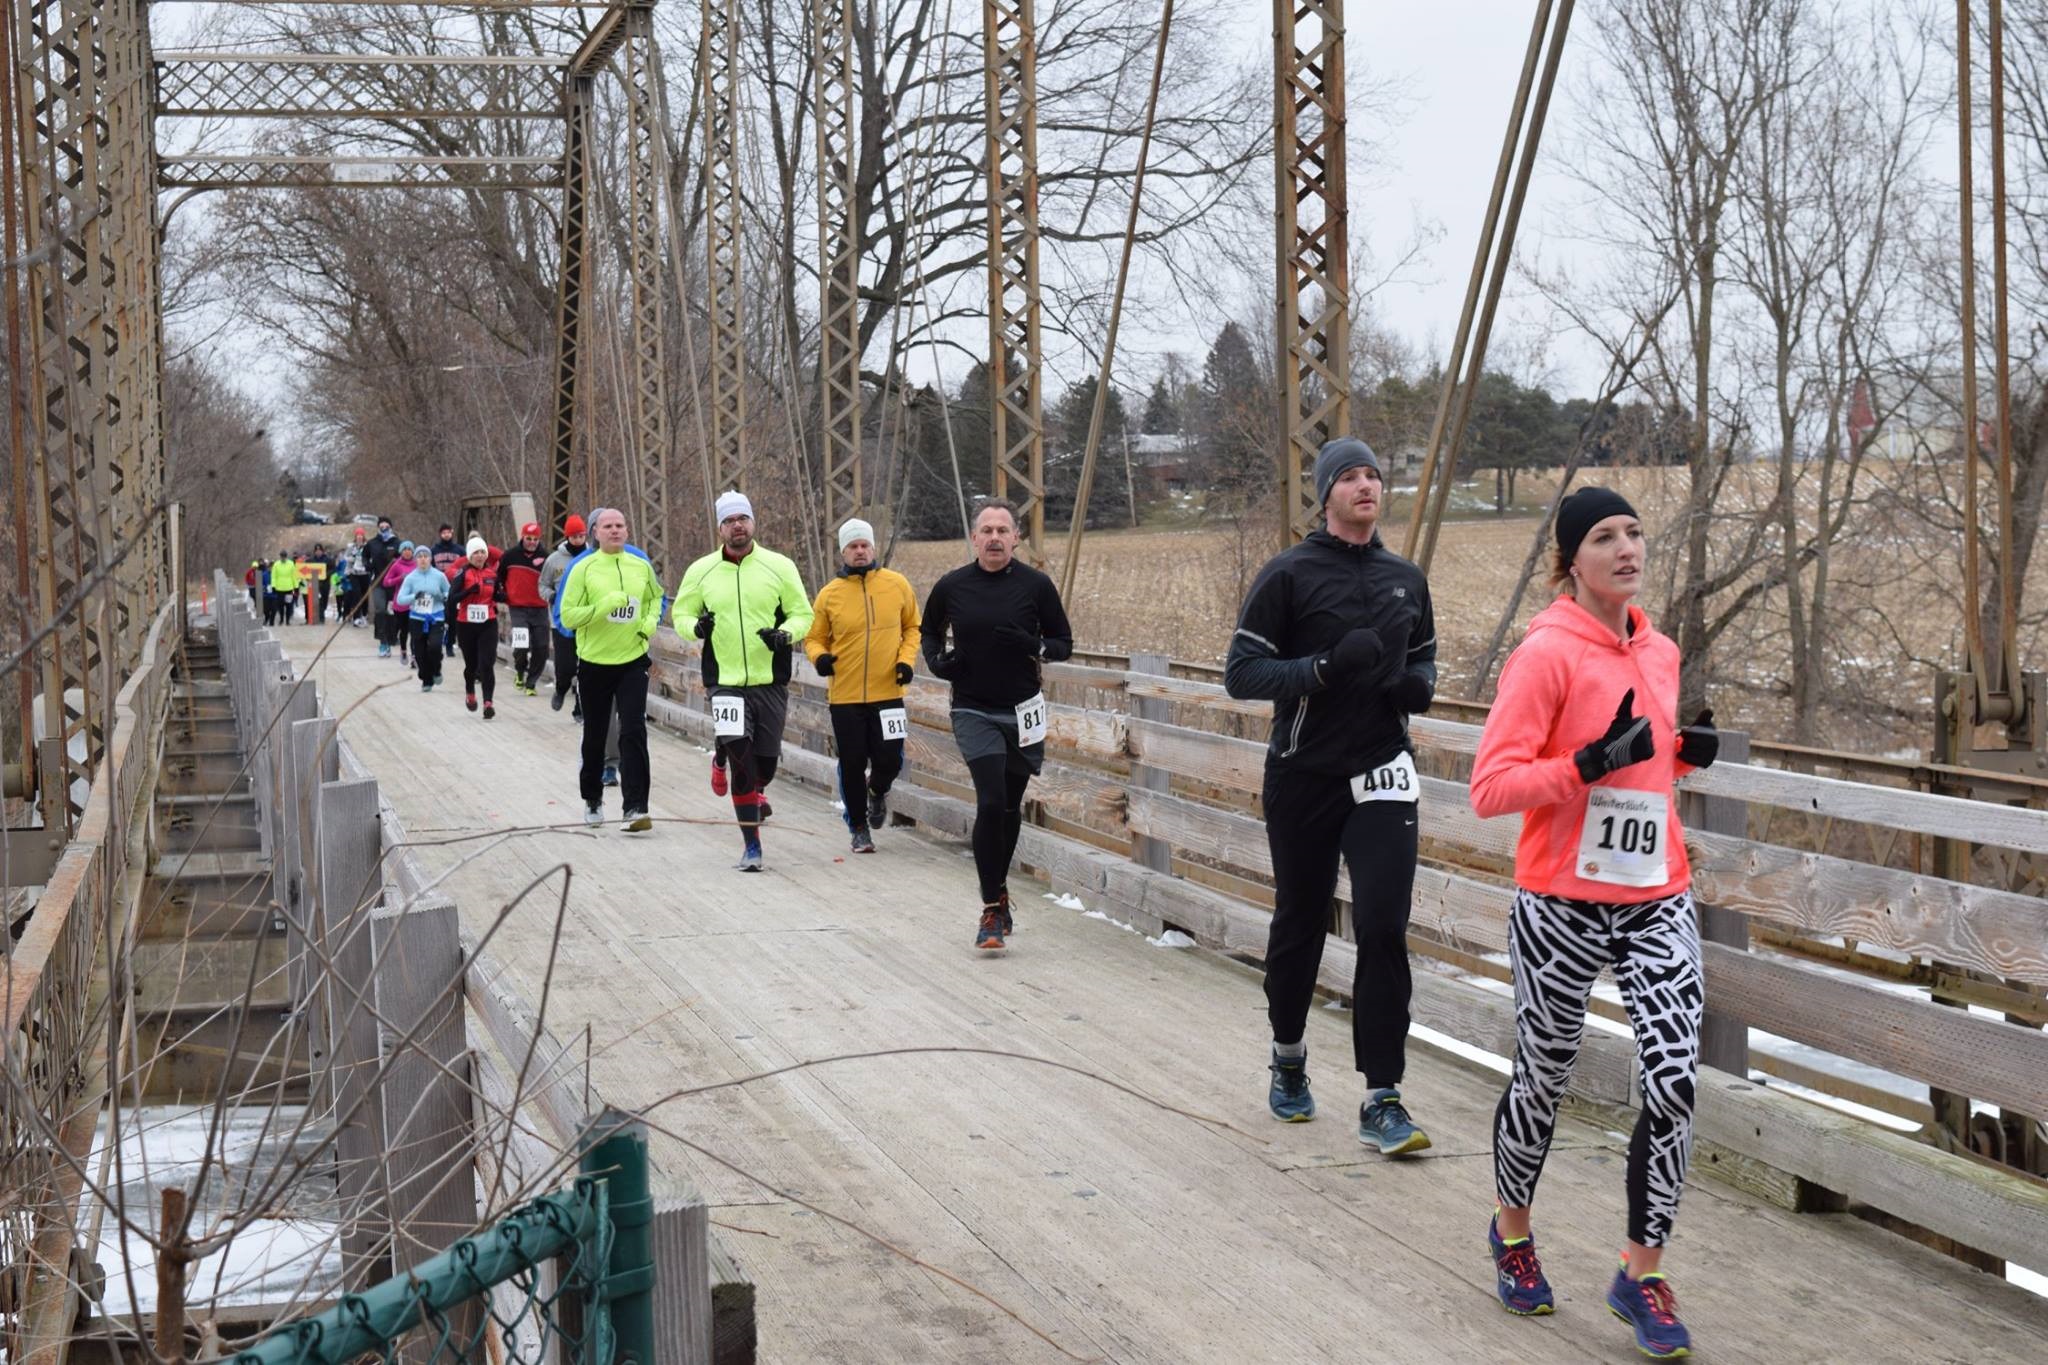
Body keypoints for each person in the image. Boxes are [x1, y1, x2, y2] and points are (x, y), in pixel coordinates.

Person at [1468, 486, 1716, 1358]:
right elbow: (1491, 787)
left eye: (1635, 532)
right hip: (1560, 901)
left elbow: (1645, 768)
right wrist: (1583, 764)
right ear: (1571, 558)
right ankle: (1512, 1232)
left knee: (1677, 1073)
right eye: (1604, 536)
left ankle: (1641, 1270)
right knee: (1545, 1071)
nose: (1626, 547)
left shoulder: (1662, 649)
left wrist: (1681, 751)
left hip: (1656, 894)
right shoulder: (1544, 653)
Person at [1222, 437, 1437, 1156]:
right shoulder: (1289, 573)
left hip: (1381, 770)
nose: (1367, 484)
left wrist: (1418, 687)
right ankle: (1288, 1055)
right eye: (1350, 476)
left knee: (1382, 925)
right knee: (1302, 919)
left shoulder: (1406, 577)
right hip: (1303, 771)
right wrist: (1320, 667)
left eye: (1375, 473)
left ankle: (1383, 1097)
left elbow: (1426, 655)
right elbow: (1242, 673)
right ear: (1326, 494)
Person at [920, 498, 1073, 949]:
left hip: (1022, 711)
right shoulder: (952, 586)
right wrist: (937, 661)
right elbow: (929, 631)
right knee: (990, 802)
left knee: (1009, 808)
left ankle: (1000, 893)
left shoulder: (1036, 586)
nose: (994, 538)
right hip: (973, 707)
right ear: (973, 538)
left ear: (1015, 538)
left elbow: (1063, 642)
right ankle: (990, 909)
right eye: (986, 530)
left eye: (1002, 530)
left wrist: (1035, 644)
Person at [673, 490, 813, 871]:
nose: (738, 525)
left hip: (770, 680)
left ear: (753, 523)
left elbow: (803, 614)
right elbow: (681, 614)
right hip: (725, 681)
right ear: (720, 528)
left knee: (765, 767)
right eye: (730, 520)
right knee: (744, 767)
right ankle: (752, 847)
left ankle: (722, 757)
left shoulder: (779, 566)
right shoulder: (701, 570)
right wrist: (696, 627)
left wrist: (785, 634)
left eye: (743, 519)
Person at [804, 517, 920, 854]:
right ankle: (858, 827)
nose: (859, 551)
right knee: (852, 762)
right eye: (852, 546)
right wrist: (820, 658)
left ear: (873, 548)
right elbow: (814, 638)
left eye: (864, 545)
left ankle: (878, 791)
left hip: (889, 691)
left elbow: (913, 627)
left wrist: (906, 661)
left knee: (891, 759)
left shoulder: (897, 585)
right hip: (845, 695)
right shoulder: (829, 595)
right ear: (843, 552)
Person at [557, 507, 664, 830]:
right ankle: (592, 798)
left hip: (632, 660)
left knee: (633, 730)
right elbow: (568, 616)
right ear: (596, 533)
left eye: (620, 525)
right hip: (594, 662)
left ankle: (635, 807)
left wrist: (647, 625)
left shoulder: (640, 565)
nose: (615, 530)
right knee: (596, 733)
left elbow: (655, 599)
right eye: (608, 526)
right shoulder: (583, 568)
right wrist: (603, 607)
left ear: (627, 531)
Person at [448, 536, 505, 718]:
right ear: (469, 556)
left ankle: (488, 702)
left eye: (482, 552)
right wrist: (467, 592)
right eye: (476, 553)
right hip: (466, 624)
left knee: (487, 664)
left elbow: (496, 595)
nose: (480, 556)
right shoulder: (462, 574)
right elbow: (451, 599)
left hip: (488, 622)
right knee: (471, 665)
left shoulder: (492, 575)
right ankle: (470, 693)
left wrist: (503, 595)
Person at [541, 515, 589, 717]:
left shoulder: (592, 556)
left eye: (581, 536)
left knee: (586, 667)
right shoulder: (554, 560)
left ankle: (580, 708)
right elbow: (543, 584)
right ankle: (561, 688)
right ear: (567, 536)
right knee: (566, 666)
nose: (578, 540)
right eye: (574, 536)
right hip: (561, 621)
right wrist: (551, 596)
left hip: (587, 619)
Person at [498, 522, 553, 697]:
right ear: (522, 537)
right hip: (518, 607)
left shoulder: (546, 558)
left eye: (535, 539)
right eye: (528, 538)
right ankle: (520, 671)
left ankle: (531, 682)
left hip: (539, 608)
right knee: (521, 645)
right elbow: (499, 577)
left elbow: (553, 580)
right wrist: (503, 594)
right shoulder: (509, 556)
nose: (531, 542)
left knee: (541, 647)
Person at [395, 543, 450, 691]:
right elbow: (400, 599)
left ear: (431, 559)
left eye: (426, 556)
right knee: (419, 652)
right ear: (416, 560)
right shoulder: (411, 578)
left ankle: (436, 669)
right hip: (417, 618)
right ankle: (426, 679)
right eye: (419, 557)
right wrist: (414, 596)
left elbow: (449, 593)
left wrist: (442, 596)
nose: (423, 559)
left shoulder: (439, 576)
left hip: (436, 617)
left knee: (435, 647)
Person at [364, 517, 401, 655]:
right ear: (378, 527)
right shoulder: (372, 543)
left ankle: (392, 638)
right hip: (378, 582)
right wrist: (368, 565)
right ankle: (383, 641)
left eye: (387, 526)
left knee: (391, 611)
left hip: (393, 583)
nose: (384, 528)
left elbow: (404, 558)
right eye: (381, 526)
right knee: (380, 610)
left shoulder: (397, 542)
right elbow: (364, 556)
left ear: (390, 527)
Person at [381, 542, 416, 665]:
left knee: (415, 631)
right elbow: (386, 582)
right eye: (405, 549)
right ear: (401, 551)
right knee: (404, 630)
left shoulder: (417, 564)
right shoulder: (396, 565)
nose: (407, 552)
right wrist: (399, 578)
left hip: (415, 603)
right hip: (400, 603)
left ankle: (414, 657)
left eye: (410, 549)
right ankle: (403, 650)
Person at [341, 526, 372, 626]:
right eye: (358, 535)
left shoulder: (368, 546)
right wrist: (353, 557)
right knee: (356, 593)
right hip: (354, 573)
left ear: (363, 536)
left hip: (364, 573)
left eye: (361, 535)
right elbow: (346, 557)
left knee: (364, 595)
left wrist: (365, 561)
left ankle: (364, 615)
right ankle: (356, 617)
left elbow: (371, 558)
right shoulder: (351, 547)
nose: (359, 537)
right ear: (355, 536)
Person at [268, 552, 301, 626]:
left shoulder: (291, 564)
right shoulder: (276, 564)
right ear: (280, 557)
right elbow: (274, 576)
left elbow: (294, 576)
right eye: (282, 557)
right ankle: (282, 619)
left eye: (284, 557)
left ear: (286, 557)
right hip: (279, 588)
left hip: (289, 588)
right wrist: (273, 586)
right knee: (280, 605)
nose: (283, 558)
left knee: (289, 605)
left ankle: (287, 620)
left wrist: (296, 587)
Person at [307, 543, 333, 624]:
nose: (318, 552)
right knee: (318, 600)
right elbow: (306, 569)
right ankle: (320, 617)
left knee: (324, 599)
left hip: (325, 583)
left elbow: (333, 569)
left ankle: (322, 612)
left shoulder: (327, 560)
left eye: (319, 550)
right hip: (316, 583)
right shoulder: (311, 560)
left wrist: (326, 574)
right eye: (316, 551)